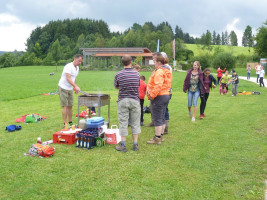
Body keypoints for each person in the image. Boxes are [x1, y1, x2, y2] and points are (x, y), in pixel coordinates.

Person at [114, 55, 141, 152]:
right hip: (134, 100)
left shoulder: (118, 74)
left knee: (123, 122)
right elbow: (137, 85)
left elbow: (117, 86)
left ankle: (123, 145)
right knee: (135, 122)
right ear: (131, 62)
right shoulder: (137, 74)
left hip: (122, 100)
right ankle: (135, 144)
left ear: (122, 63)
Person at [146, 55, 172, 145]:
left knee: (157, 118)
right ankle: (160, 136)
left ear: (159, 62)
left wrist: (152, 95)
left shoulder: (159, 72)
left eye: (155, 62)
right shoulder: (166, 70)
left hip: (159, 96)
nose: (154, 63)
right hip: (166, 95)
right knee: (162, 117)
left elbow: (158, 85)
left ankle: (157, 138)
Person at [58, 54, 82, 126]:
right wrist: (75, 86)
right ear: (75, 59)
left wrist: (75, 87)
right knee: (64, 105)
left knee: (70, 105)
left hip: (70, 88)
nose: (79, 63)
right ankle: (65, 123)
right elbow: (68, 78)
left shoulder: (77, 68)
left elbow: (73, 78)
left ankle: (70, 122)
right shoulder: (68, 66)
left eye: (81, 62)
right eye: (79, 61)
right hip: (63, 87)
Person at [161, 52, 172, 134]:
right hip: (166, 91)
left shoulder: (166, 68)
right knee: (164, 109)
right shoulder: (166, 67)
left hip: (165, 91)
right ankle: (163, 127)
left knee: (165, 109)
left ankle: (165, 128)